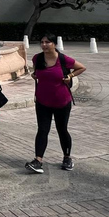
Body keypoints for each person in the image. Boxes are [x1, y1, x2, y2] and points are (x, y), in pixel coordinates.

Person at [26, 33, 86, 174]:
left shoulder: (63, 59)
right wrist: (34, 75)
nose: (44, 45)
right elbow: (37, 73)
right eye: (42, 42)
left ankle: (67, 158)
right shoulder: (37, 58)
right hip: (42, 101)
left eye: (47, 42)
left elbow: (82, 67)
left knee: (62, 129)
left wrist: (70, 76)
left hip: (62, 102)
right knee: (42, 130)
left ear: (54, 44)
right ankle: (38, 160)